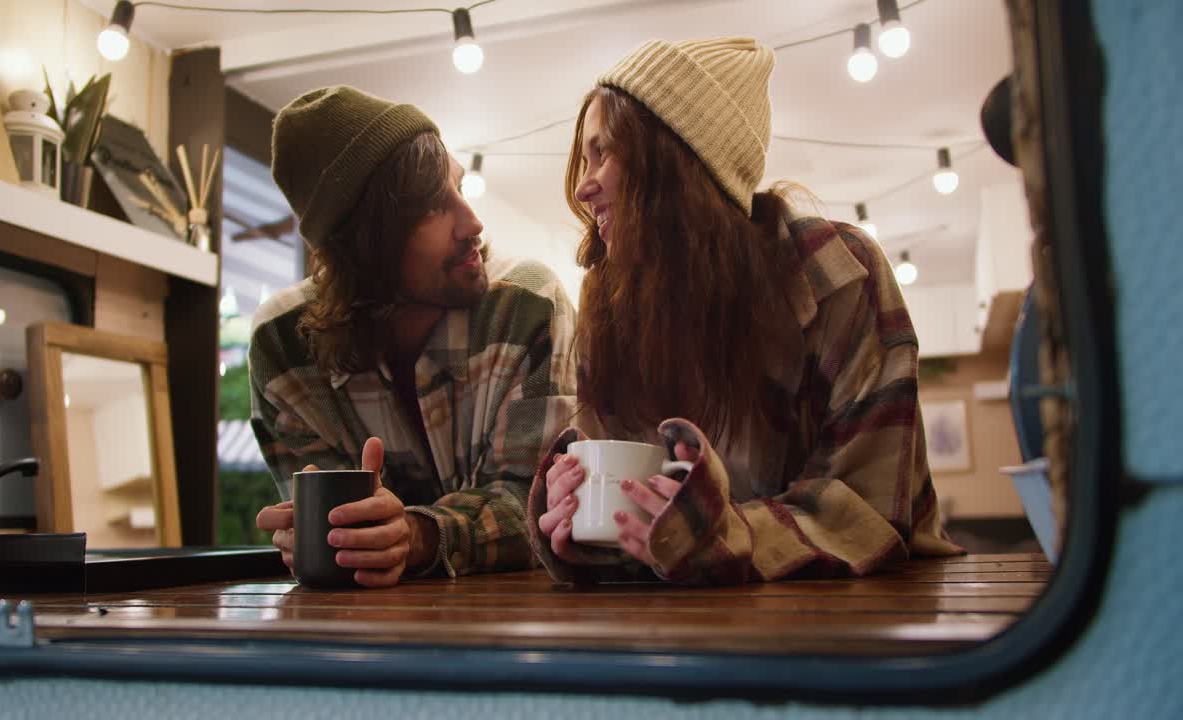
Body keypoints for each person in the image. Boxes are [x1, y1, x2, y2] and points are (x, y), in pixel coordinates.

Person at [528, 38, 963, 585]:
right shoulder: (610, 306)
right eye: (584, 159)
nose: (583, 186)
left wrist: (716, 535)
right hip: (676, 630)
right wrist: (576, 518)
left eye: (604, 153)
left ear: (677, 163)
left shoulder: (836, 273)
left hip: (866, 614)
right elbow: (636, 518)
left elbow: (871, 510)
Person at [251, 86, 577, 588]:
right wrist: (323, 537)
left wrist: (420, 534)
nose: (473, 222)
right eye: (430, 208)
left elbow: (536, 502)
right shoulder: (284, 347)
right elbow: (335, 527)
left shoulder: (524, 305)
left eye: (458, 188)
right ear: (364, 244)